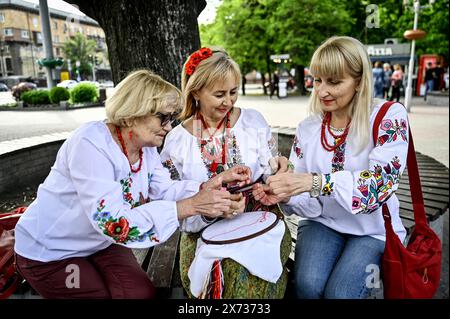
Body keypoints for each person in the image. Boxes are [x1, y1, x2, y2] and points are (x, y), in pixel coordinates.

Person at [13, 70, 237, 299]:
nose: (169, 127)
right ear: (132, 114)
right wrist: (191, 206)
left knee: (140, 293)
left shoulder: (145, 148)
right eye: (164, 117)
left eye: (172, 119)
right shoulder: (90, 143)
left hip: (99, 243)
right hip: (51, 252)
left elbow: (166, 190)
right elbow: (113, 223)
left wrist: (211, 187)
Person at [252, 36, 409, 299]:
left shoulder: (388, 117)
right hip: (323, 222)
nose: (322, 91)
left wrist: (314, 182)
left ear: (359, 81)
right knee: (307, 287)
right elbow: (309, 202)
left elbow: (378, 186)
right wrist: (286, 192)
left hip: (373, 229)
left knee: (341, 294)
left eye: (334, 82)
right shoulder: (309, 127)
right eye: (318, 80)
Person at [160, 47, 292, 298]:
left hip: (263, 222)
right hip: (202, 231)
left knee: (251, 277)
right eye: (219, 94)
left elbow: (270, 171)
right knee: (223, 272)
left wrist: (277, 176)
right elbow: (175, 206)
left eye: (233, 92)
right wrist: (211, 210)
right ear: (196, 91)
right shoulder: (177, 141)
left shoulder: (253, 121)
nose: (228, 102)